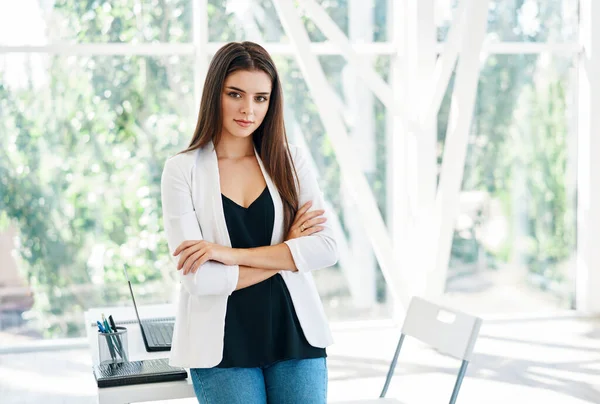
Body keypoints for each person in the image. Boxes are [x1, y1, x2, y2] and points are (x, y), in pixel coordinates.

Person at [160, 41, 339, 404]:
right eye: (235, 94)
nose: (248, 109)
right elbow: (201, 279)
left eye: (261, 98)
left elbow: (325, 248)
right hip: (223, 347)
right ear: (215, 94)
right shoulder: (182, 170)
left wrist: (225, 254)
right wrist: (287, 253)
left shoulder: (290, 161)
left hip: (294, 335)